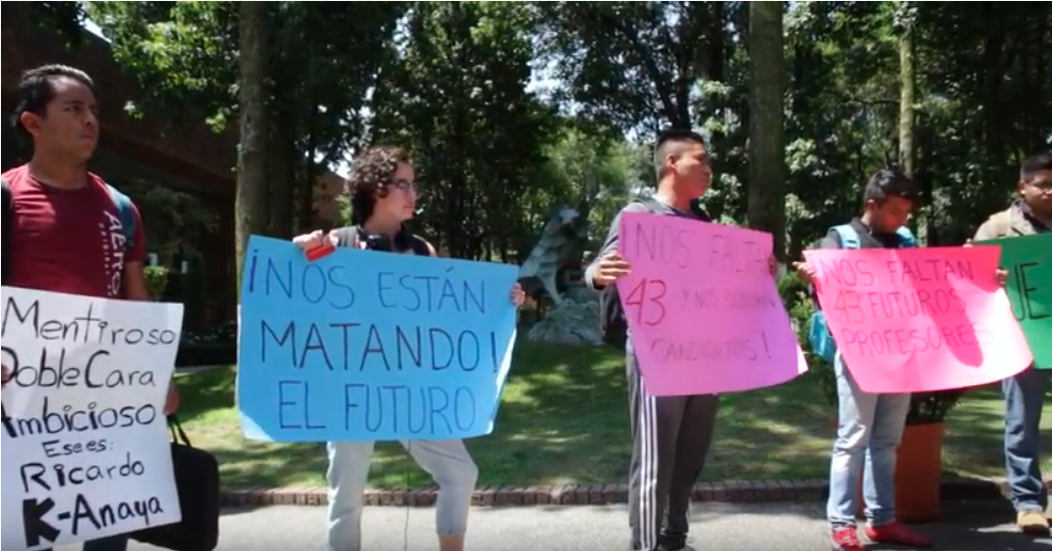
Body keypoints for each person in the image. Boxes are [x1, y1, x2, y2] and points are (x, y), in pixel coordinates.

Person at [292, 145, 526, 551]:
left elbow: (451, 312)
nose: (412, 194)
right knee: (346, 498)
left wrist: (502, 300)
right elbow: (298, 305)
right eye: (403, 184)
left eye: (413, 184)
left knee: (460, 472)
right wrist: (303, 254)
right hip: (353, 392)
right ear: (375, 188)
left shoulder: (422, 251)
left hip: (410, 391)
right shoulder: (337, 244)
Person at [1, 64, 180, 551]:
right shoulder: (6, 198)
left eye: (94, 111)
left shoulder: (120, 208)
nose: (90, 121)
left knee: (107, 535)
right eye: (73, 108)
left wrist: (158, 373)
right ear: (32, 123)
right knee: (19, 537)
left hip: (105, 403)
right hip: (17, 406)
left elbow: (135, 296)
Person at [795, 168, 1007, 551]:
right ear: (871, 205)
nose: (903, 220)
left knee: (888, 441)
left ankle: (883, 520)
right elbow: (827, 299)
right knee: (852, 438)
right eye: (896, 212)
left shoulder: (906, 241)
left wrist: (977, 274)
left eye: (907, 213)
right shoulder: (840, 239)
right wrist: (814, 279)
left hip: (901, 353)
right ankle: (842, 523)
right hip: (860, 354)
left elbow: (934, 285)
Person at [585, 129, 777, 551]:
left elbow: (722, 289)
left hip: (703, 357)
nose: (709, 170)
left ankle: (675, 536)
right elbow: (598, 268)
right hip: (658, 356)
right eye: (701, 160)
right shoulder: (637, 217)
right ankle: (646, 544)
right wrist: (599, 274)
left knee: (690, 458)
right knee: (655, 460)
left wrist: (757, 270)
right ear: (672, 163)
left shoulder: (703, 225)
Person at [972, 152, 1051, 536]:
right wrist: (991, 275)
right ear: (1023, 186)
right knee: (1021, 422)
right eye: (1043, 184)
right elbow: (968, 274)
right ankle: (1028, 501)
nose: (1050, 191)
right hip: (1023, 340)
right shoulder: (998, 227)